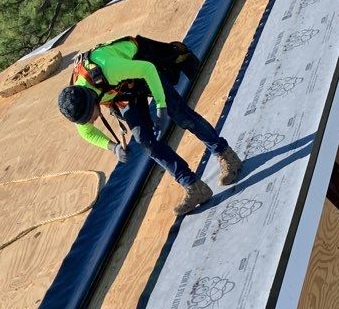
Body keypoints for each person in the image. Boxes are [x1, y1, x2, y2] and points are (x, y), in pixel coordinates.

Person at [57, 35, 241, 216]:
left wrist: (160, 106)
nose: (90, 121)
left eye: (90, 117)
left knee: (180, 114)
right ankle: (194, 186)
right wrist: (112, 148)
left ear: (93, 101)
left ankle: (227, 156)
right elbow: (86, 132)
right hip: (123, 91)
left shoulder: (108, 69)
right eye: (85, 120)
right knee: (144, 139)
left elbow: (147, 69)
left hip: (142, 68)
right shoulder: (78, 103)